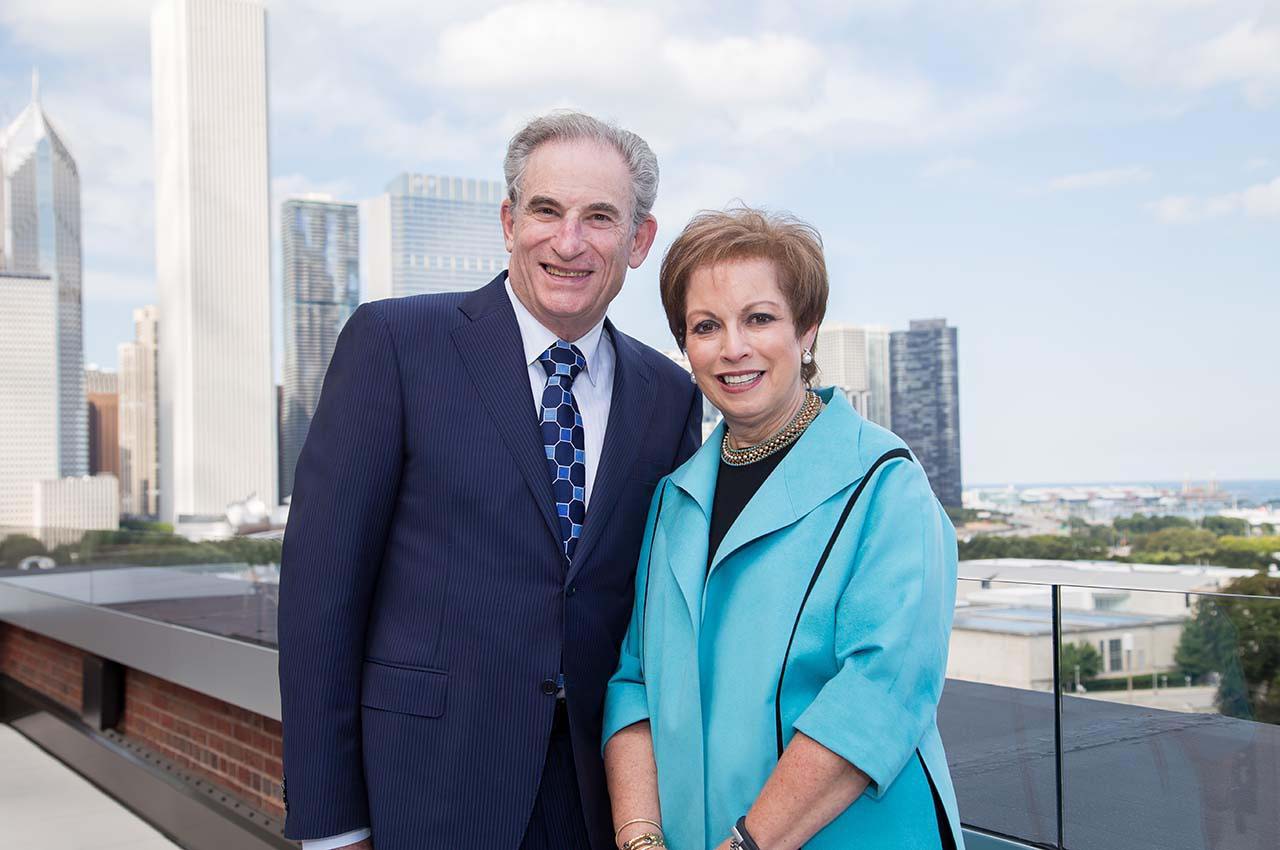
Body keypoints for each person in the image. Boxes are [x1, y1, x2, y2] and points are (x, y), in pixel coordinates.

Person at [278, 112, 703, 850]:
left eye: (599, 217)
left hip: (599, 801)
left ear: (638, 241)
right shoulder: (394, 346)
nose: (568, 242)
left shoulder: (669, 394)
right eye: (546, 211)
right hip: (426, 791)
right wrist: (331, 827)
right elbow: (321, 599)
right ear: (509, 222)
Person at [602, 208, 964, 850]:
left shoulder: (887, 485)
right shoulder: (672, 500)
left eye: (760, 318)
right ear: (686, 348)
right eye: (706, 326)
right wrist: (639, 840)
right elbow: (635, 684)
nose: (733, 347)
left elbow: (879, 697)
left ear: (807, 331)